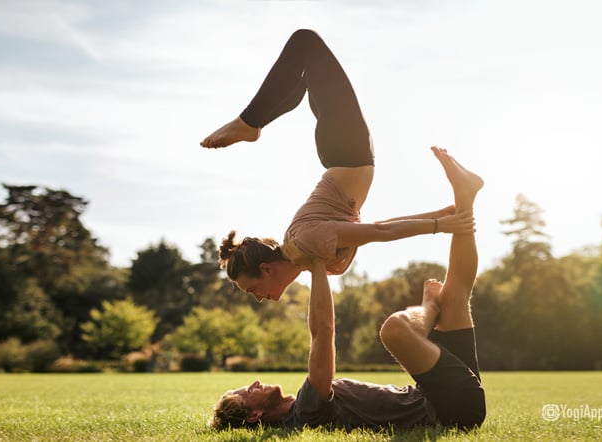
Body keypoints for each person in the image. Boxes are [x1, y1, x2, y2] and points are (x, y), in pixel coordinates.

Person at [210, 149, 485, 431]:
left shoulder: (304, 408)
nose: (254, 383)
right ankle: (429, 309)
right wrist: (316, 263)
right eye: (247, 392)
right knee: (393, 329)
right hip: (447, 409)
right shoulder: (305, 413)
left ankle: (465, 198)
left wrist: (439, 217)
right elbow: (322, 332)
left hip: (447, 392)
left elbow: (375, 229)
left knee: (455, 295)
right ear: (255, 415)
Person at [202, 29, 473, 302]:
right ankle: (266, 112)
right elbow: (378, 226)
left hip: (345, 149)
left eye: (253, 289)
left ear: (266, 269)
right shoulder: (305, 255)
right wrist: (440, 215)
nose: (259, 298)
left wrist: (441, 225)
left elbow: (380, 232)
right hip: (346, 152)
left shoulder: (304, 241)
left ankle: (249, 123)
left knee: (305, 42)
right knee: (309, 73)